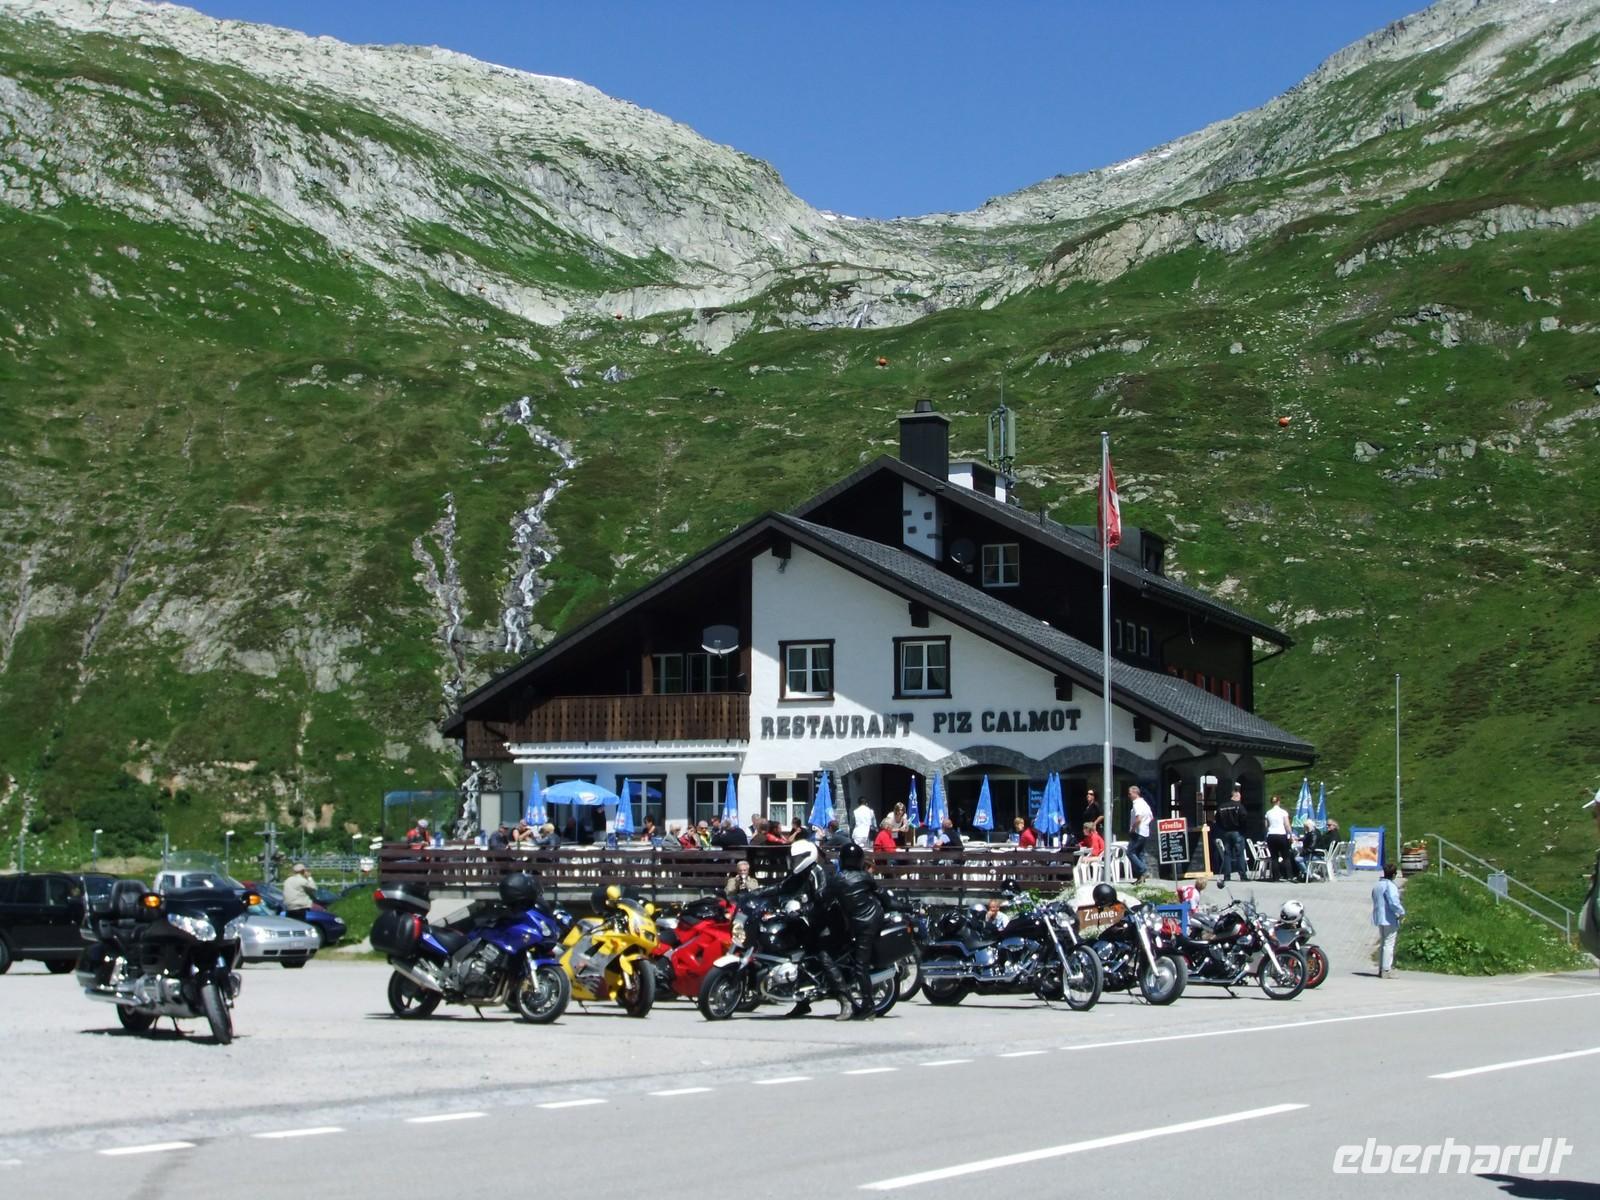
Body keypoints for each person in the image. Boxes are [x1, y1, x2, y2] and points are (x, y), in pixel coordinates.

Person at [822, 842, 884, 1020]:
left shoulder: (837, 879)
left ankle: (868, 1007)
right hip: (873, 919)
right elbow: (882, 895)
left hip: (863, 925)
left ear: (842, 860)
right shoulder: (865, 877)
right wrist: (903, 906)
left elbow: (823, 899)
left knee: (860, 965)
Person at [1371, 862, 1405, 978]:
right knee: (1389, 944)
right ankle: (1386, 970)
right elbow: (1393, 902)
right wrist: (1401, 912)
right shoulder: (1390, 886)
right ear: (1394, 874)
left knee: (1383, 943)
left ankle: (1381, 968)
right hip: (1389, 917)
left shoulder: (1378, 885)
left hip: (1379, 917)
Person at [1215, 786, 1248, 884]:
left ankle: (1227, 876)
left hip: (1226, 832)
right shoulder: (1239, 806)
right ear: (1236, 796)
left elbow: (1217, 819)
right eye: (1239, 797)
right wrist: (1243, 828)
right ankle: (1242, 875)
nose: (1240, 799)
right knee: (1240, 854)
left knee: (1227, 854)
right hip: (1237, 832)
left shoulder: (1222, 807)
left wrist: (1222, 828)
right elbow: (1244, 817)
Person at [1264, 796, 1294, 881]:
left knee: (1274, 857)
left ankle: (1276, 877)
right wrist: (1290, 835)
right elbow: (1287, 825)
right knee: (1286, 856)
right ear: (1278, 802)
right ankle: (1289, 876)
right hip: (1281, 834)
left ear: (1271, 803)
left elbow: (1266, 825)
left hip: (1271, 835)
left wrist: (1270, 830)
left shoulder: (1268, 813)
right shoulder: (1283, 812)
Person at [1126, 785, 1153, 881]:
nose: (1129, 796)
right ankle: (1141, 878)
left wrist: (1132, 829)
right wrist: (1146, 824)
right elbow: (1151, 817)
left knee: (1130, 852)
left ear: (1135, 793)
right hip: (1145, 831)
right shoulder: (1145, 803)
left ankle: (1143, 870)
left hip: (1138, 832)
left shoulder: (1137, 804)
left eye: (1129, 794)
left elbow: (1138, 818)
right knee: (1139, 853)